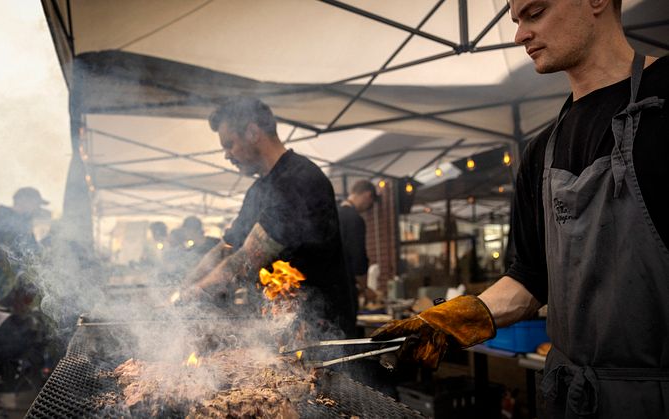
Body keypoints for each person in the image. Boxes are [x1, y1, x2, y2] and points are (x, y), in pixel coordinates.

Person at [371, 1, 668, 417]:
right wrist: (453, 320)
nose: (519, 35)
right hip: (568, 400)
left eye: (536, 12)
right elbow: (530, 280)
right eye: (517, 20)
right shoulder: (541, 151)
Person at [183, 97, 354, 335]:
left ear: (253, 132)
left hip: (319, 328)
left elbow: (246, 258)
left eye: (229, 144)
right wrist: (184, 287)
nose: (226, 155)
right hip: (280, 323)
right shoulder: (258, 191)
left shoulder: (299, 180)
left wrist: (197, 292)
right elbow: (227, 247)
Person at [0, 187, 47, 302]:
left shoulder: (23, 222)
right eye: (36, 203)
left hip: (16, 281)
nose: (37, 208)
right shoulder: (5, 222)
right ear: (23, 201)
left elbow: (33, 250)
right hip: (3, 282)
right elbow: (0, 254)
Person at [338, 180, 377, 334]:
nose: (367, 208)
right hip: (345, 291)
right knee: (348, 336)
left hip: (327, 293)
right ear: (368, 195)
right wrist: (365, 287)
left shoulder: (334, 213)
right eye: (370, 203)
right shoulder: (354, 219)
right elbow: (358, 259)